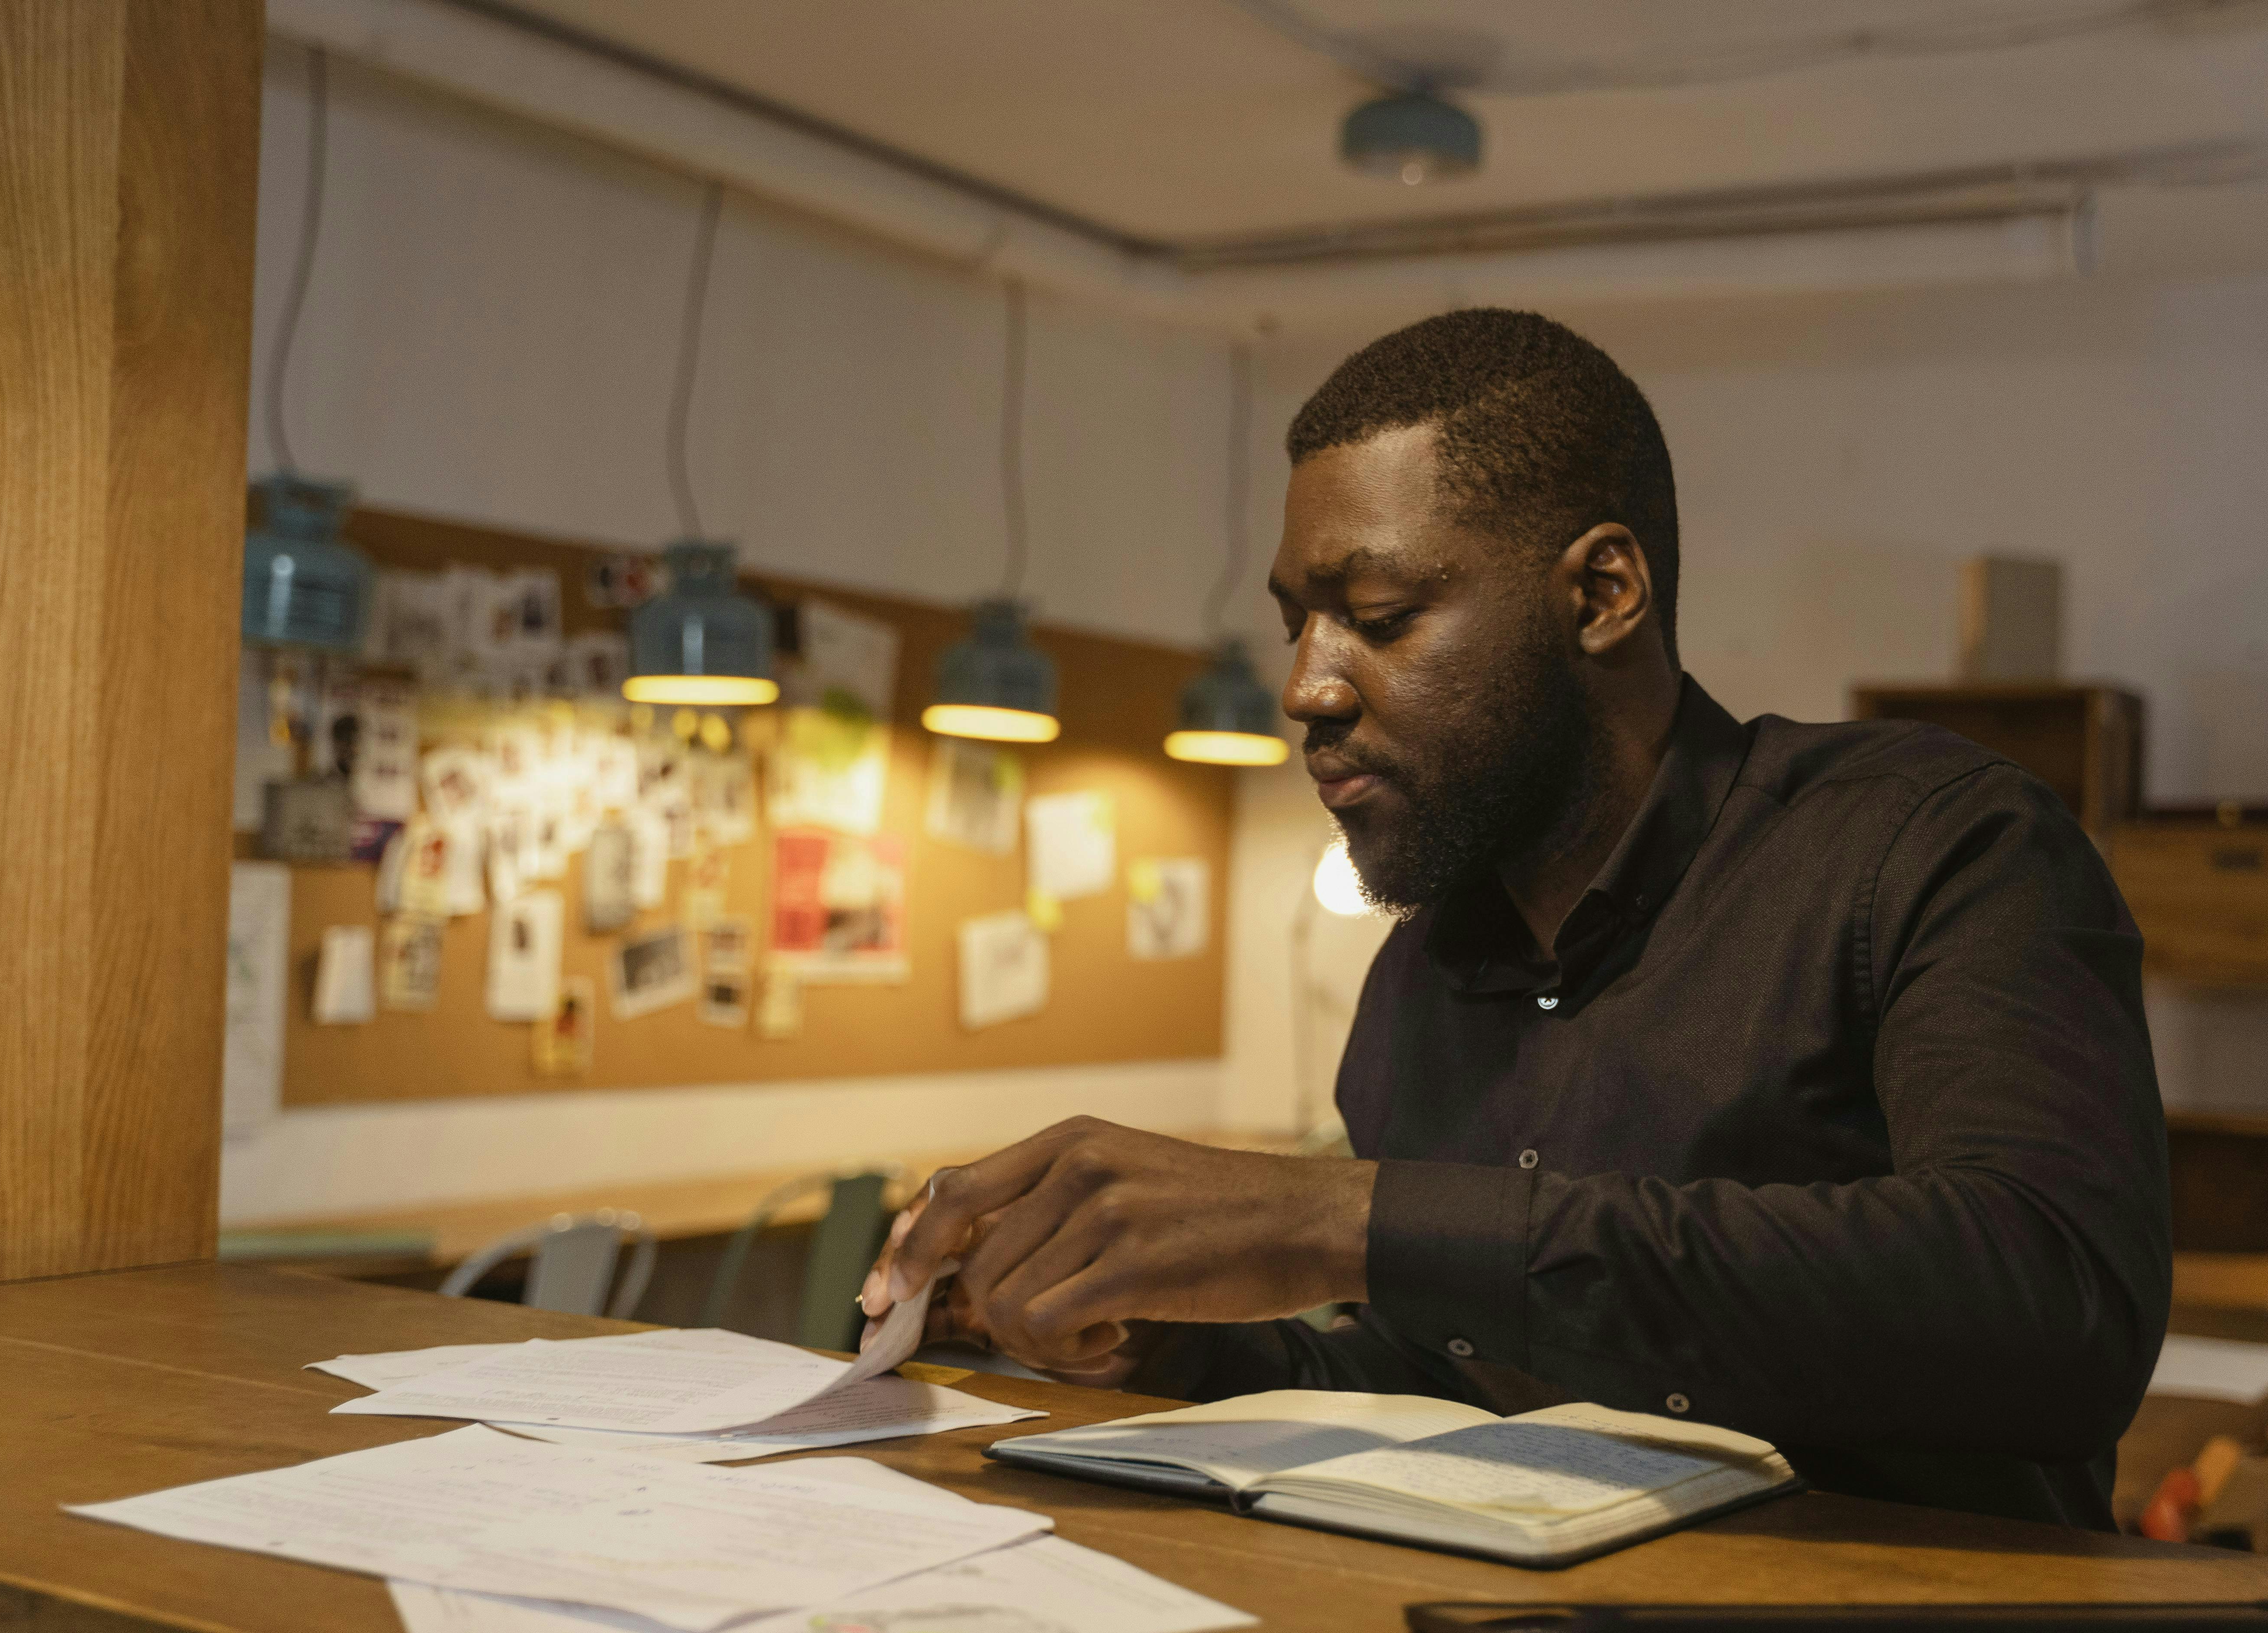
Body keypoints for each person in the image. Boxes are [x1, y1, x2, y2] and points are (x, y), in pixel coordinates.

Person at [863, 308, 2169, 1530]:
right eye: (1295, 626)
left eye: (1375, 618)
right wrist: (1156, 1338)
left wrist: (1344, 1218)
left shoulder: (1932, 843)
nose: (1308, 688)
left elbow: (2049, 1309)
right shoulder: (1422, 973)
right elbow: (1446, 1381)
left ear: (1601, 593)